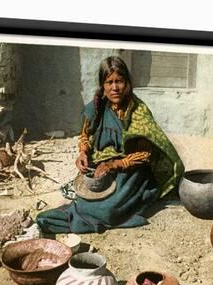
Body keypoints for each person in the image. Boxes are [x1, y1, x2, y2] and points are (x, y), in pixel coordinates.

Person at [36, 56, 184, 234]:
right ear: (103, 85)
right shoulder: (97, 107)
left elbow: (144, 154)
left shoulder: (138, 111)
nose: (115, 88)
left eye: (119, 81)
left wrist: (114, 165)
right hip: (101, 164)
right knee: (88, 194)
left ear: (127, 83)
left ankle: (77, 217)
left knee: (109, 210)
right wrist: (83, 153)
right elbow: (85, 136)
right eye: (109, 82)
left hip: (131, 170)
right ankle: (76, 213)